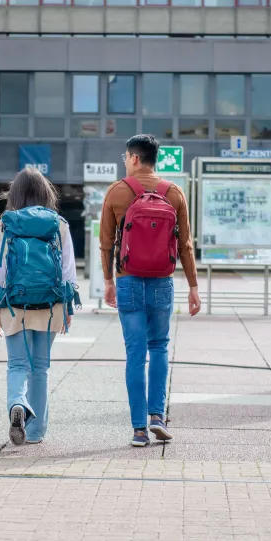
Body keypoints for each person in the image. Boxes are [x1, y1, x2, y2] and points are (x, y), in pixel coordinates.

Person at [100, 134, 201, 448]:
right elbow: (185, 245)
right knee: (159, 347)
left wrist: (108, 281)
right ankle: (157, 416)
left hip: (128, 281)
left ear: (133, 158)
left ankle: (139, 431)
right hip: (162, 282)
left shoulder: (117, 192)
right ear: (155, 159)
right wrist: (194, 286)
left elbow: (106, 244)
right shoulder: (174, 193)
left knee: (135, 354)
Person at [0, 167, 77, 446]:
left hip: (14, 305)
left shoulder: (5, 224)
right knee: (40, 368)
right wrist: (68, 307)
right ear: (45, 193)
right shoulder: (58, 224)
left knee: (17, 365)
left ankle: (17, 403)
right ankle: (35, 432)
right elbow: (67, 270)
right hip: (50, 305)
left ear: (15, 194)